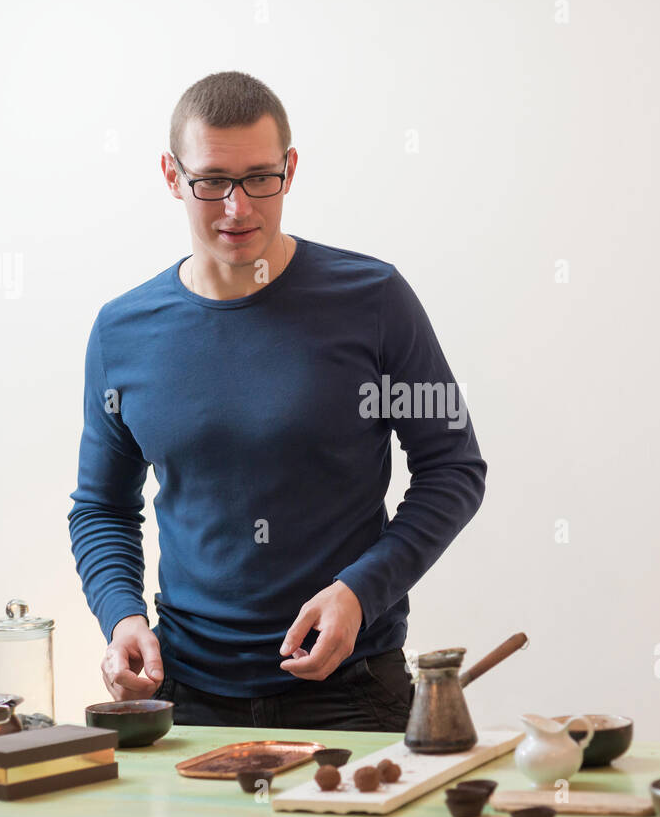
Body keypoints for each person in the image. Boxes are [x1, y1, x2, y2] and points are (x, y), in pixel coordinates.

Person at [67, 71, 486, 730]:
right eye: (212, 182)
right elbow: (101, 507)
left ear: (290, 169)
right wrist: (121, 616)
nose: (238, 208)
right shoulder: (121, 331)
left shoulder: (375, 299)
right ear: (172, 177)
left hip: (352, 694)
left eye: (260, 177)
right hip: (187, 700)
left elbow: (454, 469)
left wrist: (360, 591)